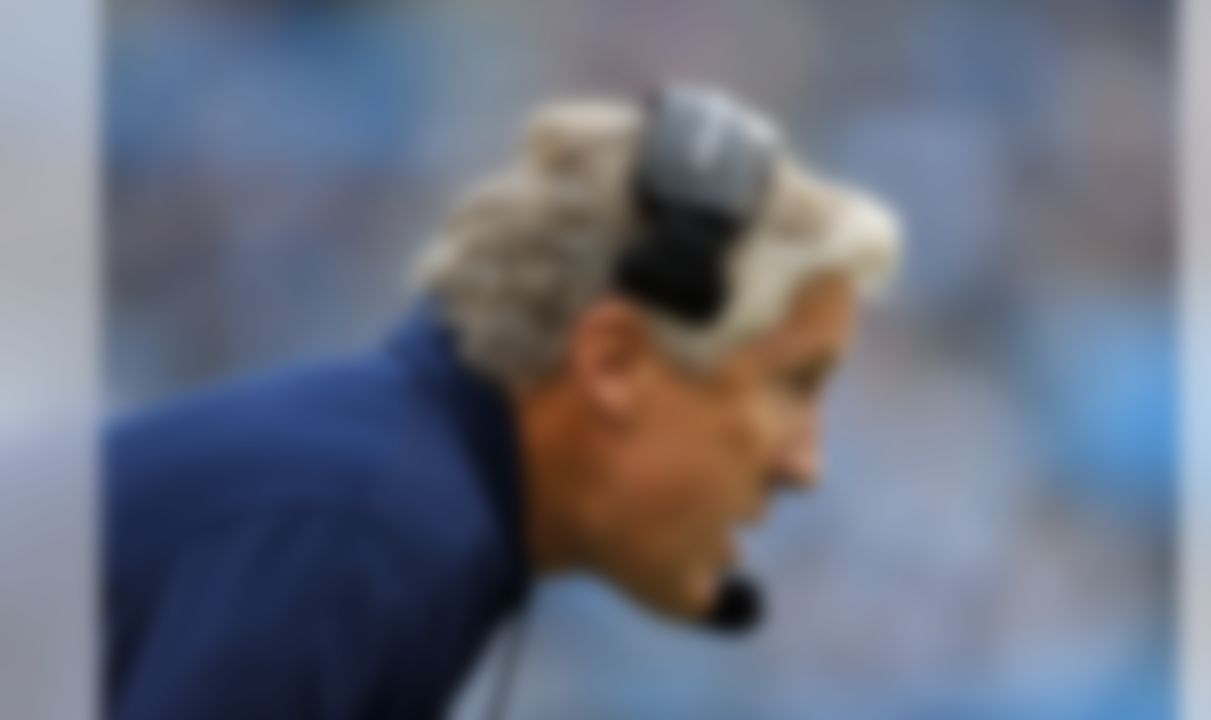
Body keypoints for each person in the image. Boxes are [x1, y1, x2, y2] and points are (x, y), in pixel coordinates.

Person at [104, 85, 902, 719]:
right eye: (791, 385)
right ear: (614, 361)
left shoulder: (402, 496)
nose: (808, 465)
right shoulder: (376, 535)